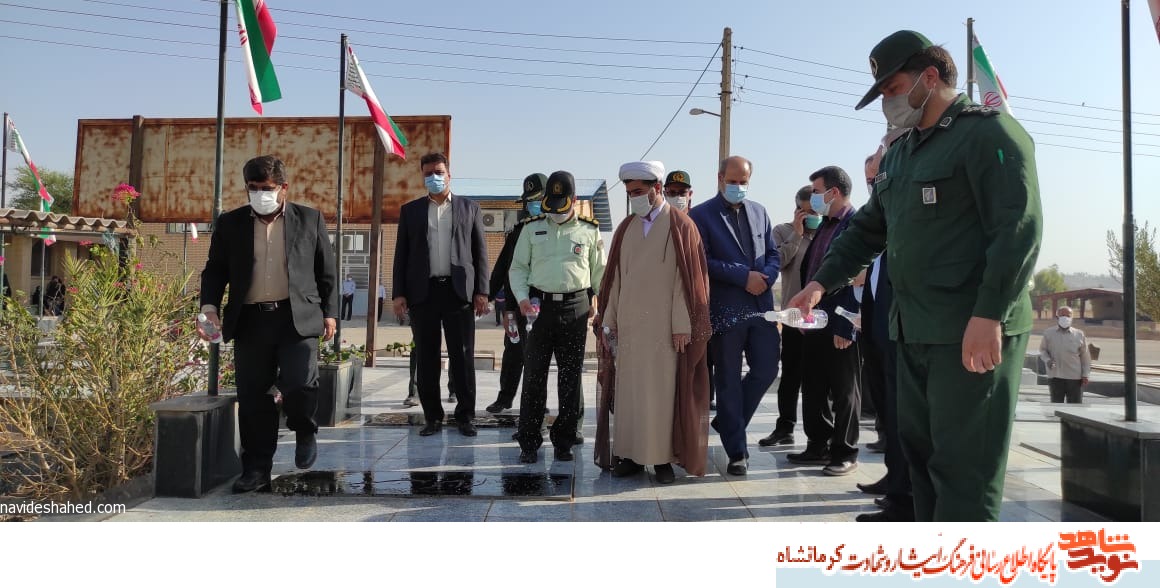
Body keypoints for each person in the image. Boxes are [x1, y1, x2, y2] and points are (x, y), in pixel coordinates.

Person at [790, 30, 1042, 521]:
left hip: (970, 332)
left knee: (964, 470)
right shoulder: (903, 154)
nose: (888, 102)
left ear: (929, 77)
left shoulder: (989, 135)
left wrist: (990, 314)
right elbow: (868, 229)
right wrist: (820, 283)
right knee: (922, 463)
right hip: (914, 332)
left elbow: (1018, 231)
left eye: (893, 88)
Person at [198, 155, 338, 493]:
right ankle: (257, 469)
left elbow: (326, 270)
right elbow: (215, 269)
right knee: (253, 398)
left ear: (283, 187)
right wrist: (209, 307)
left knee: (300, 383)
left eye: (267, 188)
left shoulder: (309, 219)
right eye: (253, 187)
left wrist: (330, 312)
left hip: (296, 318)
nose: (260, 194)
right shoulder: (230, 223)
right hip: (250, 321)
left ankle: (304, 428)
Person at [594, 161, 712, 484]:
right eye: (630, 192)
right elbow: (614, 280)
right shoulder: (626, 227)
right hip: (630, 329)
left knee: (661, 394)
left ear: (656, 188)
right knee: (630, 394)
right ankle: (631, 456)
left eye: (638, 191)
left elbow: (687, 282)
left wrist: (681, 324)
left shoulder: (681, 225)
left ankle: (661, 459)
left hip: (664, 331)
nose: (633, 197)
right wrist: (609, 321)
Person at [688, 156, 780, 476]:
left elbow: (773, 254)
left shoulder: (760, 211)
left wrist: (766, 276)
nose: (738, 187)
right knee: (727, 379)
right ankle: (737, 452)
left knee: (767, 369)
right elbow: (703, 261)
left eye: (744, 182)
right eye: (733, 181)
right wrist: (743, 277)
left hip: (761, 307)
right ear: (720, 178)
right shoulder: (701, 215)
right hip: (725, 310)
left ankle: (728, 420)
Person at [509, 171, 605, 464]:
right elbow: (518, 268)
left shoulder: (589, 230)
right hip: (539, 308)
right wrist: (522, 298)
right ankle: (529, 441)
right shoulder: (532, 228)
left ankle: (564, 440)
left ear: (573, 201)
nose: (555, 213)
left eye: (561, 206)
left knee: (570, 378)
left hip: (576, 308)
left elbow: (599, 273)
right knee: (534, 376)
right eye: (551, 206)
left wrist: (601, 305)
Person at [391, 152, 489, 437]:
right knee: (427, 358)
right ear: (422, 176)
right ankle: (432, 417)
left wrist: (482, 291)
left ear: (449, 175)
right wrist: (398, 293)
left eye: (439, 172)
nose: (434, 177)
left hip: (458, 294)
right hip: (423, 294)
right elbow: (401, 255)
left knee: (463, 357)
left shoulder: (469, 208)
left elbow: (480, 253)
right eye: (428, 173)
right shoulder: (411, 211)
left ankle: (465, 417)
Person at [785, 166, 862, 477]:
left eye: (817, 192)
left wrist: (847, 324)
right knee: (814, 384)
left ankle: (845, 451)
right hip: (815, 319)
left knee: (844, 389)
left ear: (834, 192)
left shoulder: (856, 225)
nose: (813, 198)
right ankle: (818, 444)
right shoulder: (825, 226)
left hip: (840, 320)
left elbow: (857, 280)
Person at [854, 146, 914, 522]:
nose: (873, 185)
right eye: (869, 180)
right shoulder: (876, 218)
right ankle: (894, 479)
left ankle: (905, 495)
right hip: (875, 328)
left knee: (902, 413)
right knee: (887, 411)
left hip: (899, 330)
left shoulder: (905, 212)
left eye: (877, 178)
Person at [758, 186, 818, 447]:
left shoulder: (828, 233)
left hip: (820, 315)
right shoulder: (782, 231)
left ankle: (819, 435)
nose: (812, 216)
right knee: (791, 373)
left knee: (818, 376)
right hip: (794, 314)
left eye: (816, 211)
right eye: (807, 212)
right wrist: (797, 233)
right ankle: (785, 427)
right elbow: (778, 262)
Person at [485, 173, 545, 414]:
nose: (532, 205)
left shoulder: (554, 229)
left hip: (542, 304)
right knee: (512, 351)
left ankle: (535, 403)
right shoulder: (519, 231)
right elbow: (503, 267)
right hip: (515, 304)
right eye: (529, 201)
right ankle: (504, 398)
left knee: (537, 355)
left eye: (536, 200)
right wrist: (487, 296)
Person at [1039, 306, 1091, 404]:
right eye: (1062, 315)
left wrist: (1085, 375)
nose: (1065, 318)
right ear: (1057, 317)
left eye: (1068, 316)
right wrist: (1047, 360)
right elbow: (1043, 350)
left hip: (1074, 378)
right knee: (1056, 405)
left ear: (1072, 318)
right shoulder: (1048, 333)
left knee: (1075, 407)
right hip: (1055, 376)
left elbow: (1085, 357)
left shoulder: (1079, 334)